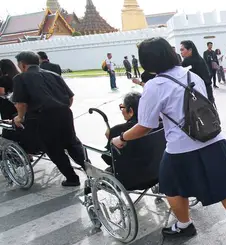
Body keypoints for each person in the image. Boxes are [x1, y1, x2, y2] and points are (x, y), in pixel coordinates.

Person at [111, 37, 226, 242]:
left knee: (170, 185)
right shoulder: (190, 75)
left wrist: (122, 137)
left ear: (147, 62)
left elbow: (145, 126)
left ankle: (184, 225)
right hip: (212, 138)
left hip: (181, 146)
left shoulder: (154, 86)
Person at [12, 51, 85, 186]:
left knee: (54, 148)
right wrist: (62, 108)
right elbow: (70, 97)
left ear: (22, 65)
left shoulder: (20, 78)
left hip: (43, 116)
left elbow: (21, 103)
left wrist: (20, 117)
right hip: (64, 113)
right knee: (72, 143)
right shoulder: (54, 75)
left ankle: (72, 178)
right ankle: (91, 171)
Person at [101, 92, 141, 168]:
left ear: (131, 111)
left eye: (122, 107)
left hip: (127, 172)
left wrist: (111, 137)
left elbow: (107, 158)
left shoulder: (117, 130)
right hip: (152, 169)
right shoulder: (156, 124)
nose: (121, 110)